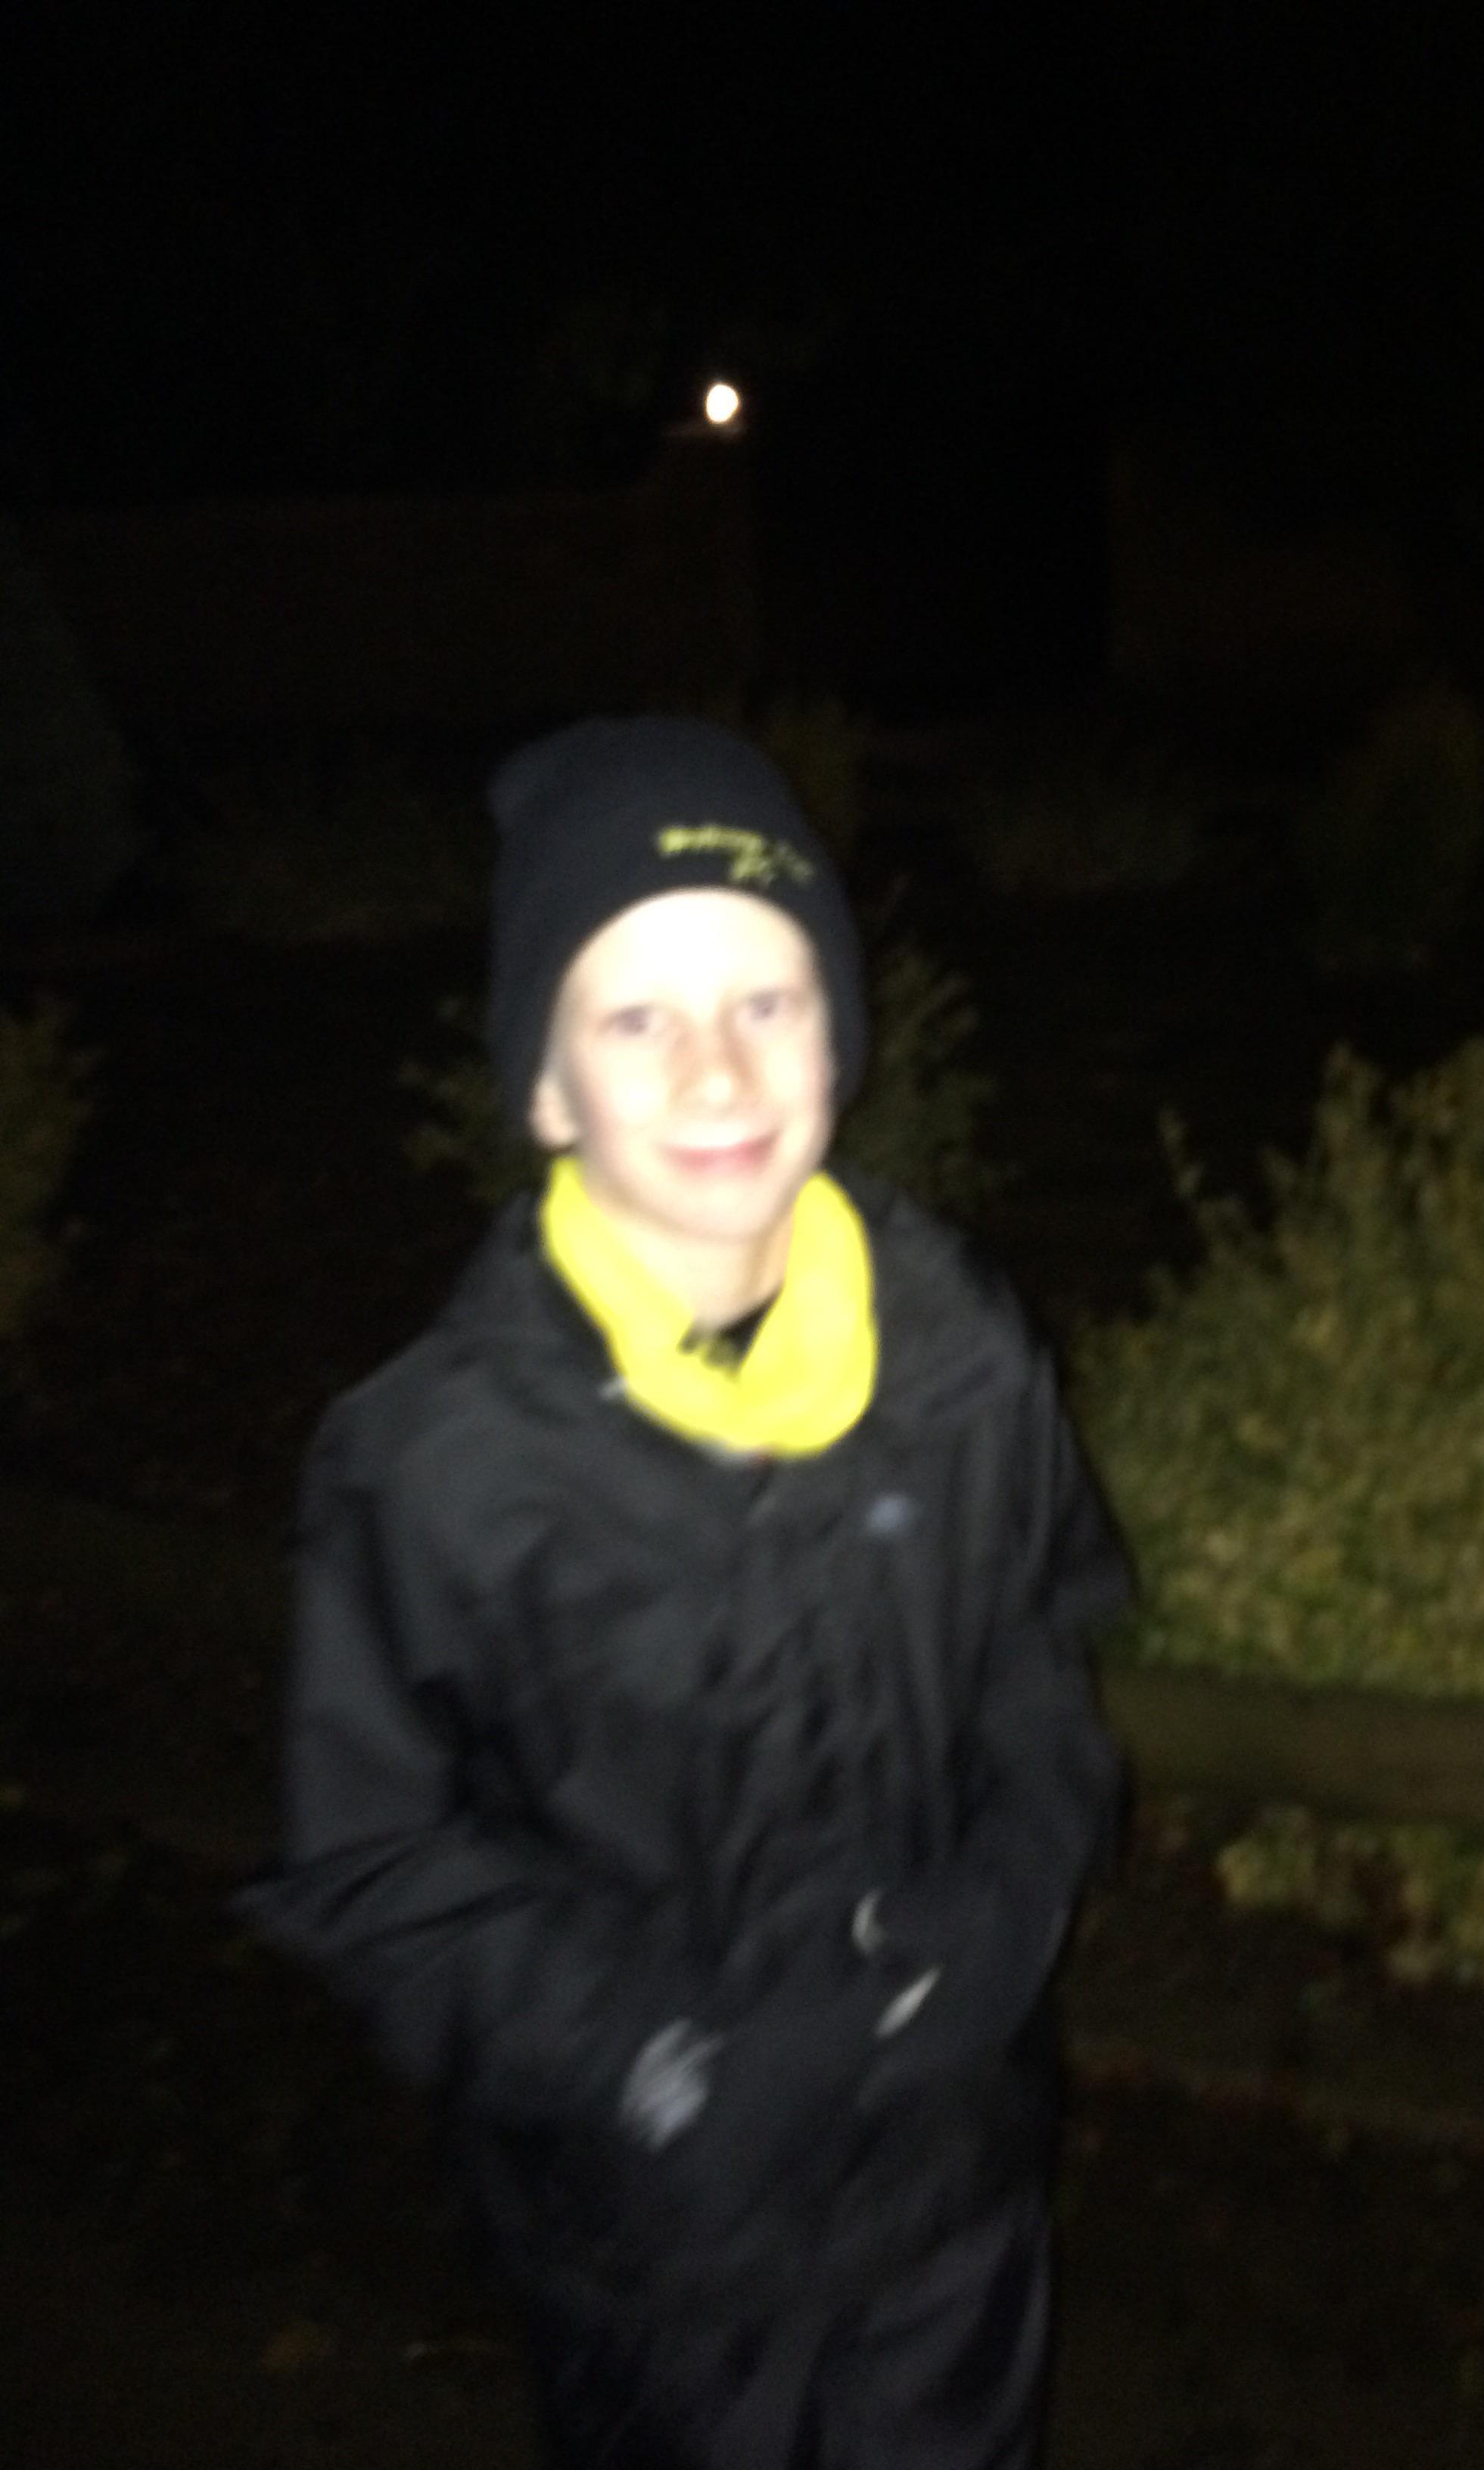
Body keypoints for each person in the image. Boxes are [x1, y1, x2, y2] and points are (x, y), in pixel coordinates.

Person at [241, 716, 1128, 2469]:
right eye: (637, 1021)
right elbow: (374, 1857)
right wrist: (645, 2057)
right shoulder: (438, 1462)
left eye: (768, 1001)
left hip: (946, 2199)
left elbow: (1040, 1656)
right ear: (545, 1089)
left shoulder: (962, 1354)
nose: (719, 1071)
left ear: (839, 1038)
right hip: (657, 2253)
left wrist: (999, 1923)